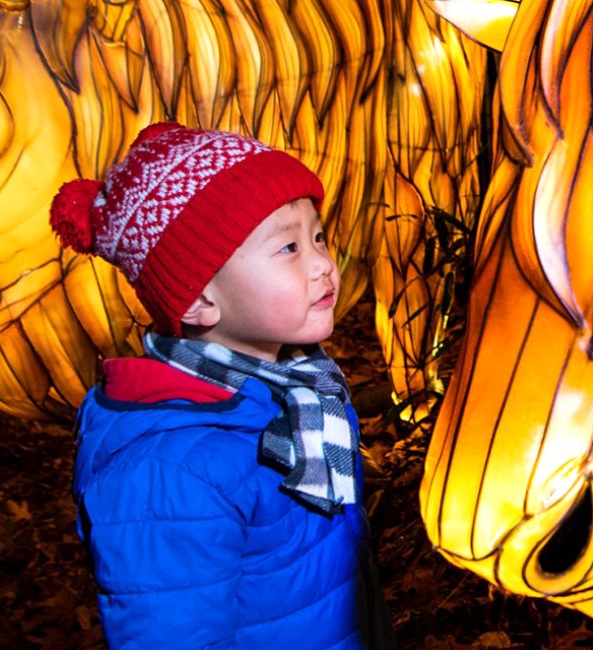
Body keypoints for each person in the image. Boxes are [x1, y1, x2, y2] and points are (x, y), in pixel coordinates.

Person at [49, 122, 393, 649]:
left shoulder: (298, 389)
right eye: (288, 248)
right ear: (196, 301)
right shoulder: (168, 470)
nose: (325, 263)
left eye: (318, 237)